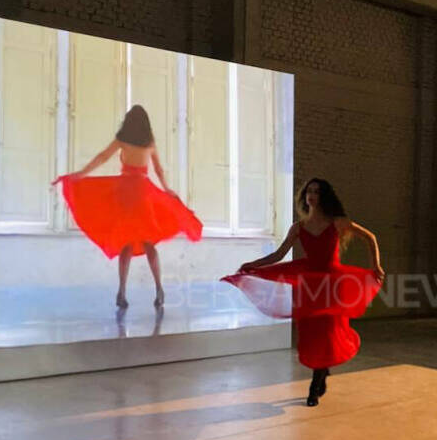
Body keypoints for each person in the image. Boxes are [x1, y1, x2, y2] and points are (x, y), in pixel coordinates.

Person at [222, 178, 384, 406]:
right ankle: (323, 370)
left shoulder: (338, 222)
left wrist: (375, 266)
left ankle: (315, 386)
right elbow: (278, 255)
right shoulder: (298, 227)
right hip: (307, 286)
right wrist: (253, 264)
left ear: (323, 196)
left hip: (331, 285)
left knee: (328, 332)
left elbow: (371, 238)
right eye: (309, 191)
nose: (311, 195)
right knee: (311, 335)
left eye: (316, 192)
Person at [54, 105, 201, 309]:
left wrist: (81, 174)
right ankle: (159, 288)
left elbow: (102, 157)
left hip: (125, 192)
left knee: (127, 243)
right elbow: (158, 169)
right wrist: (167, 189)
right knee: (148, 242)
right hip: (143, 191)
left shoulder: (123, 140)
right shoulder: (149, 142)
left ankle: (121, 291)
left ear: (128, 122)